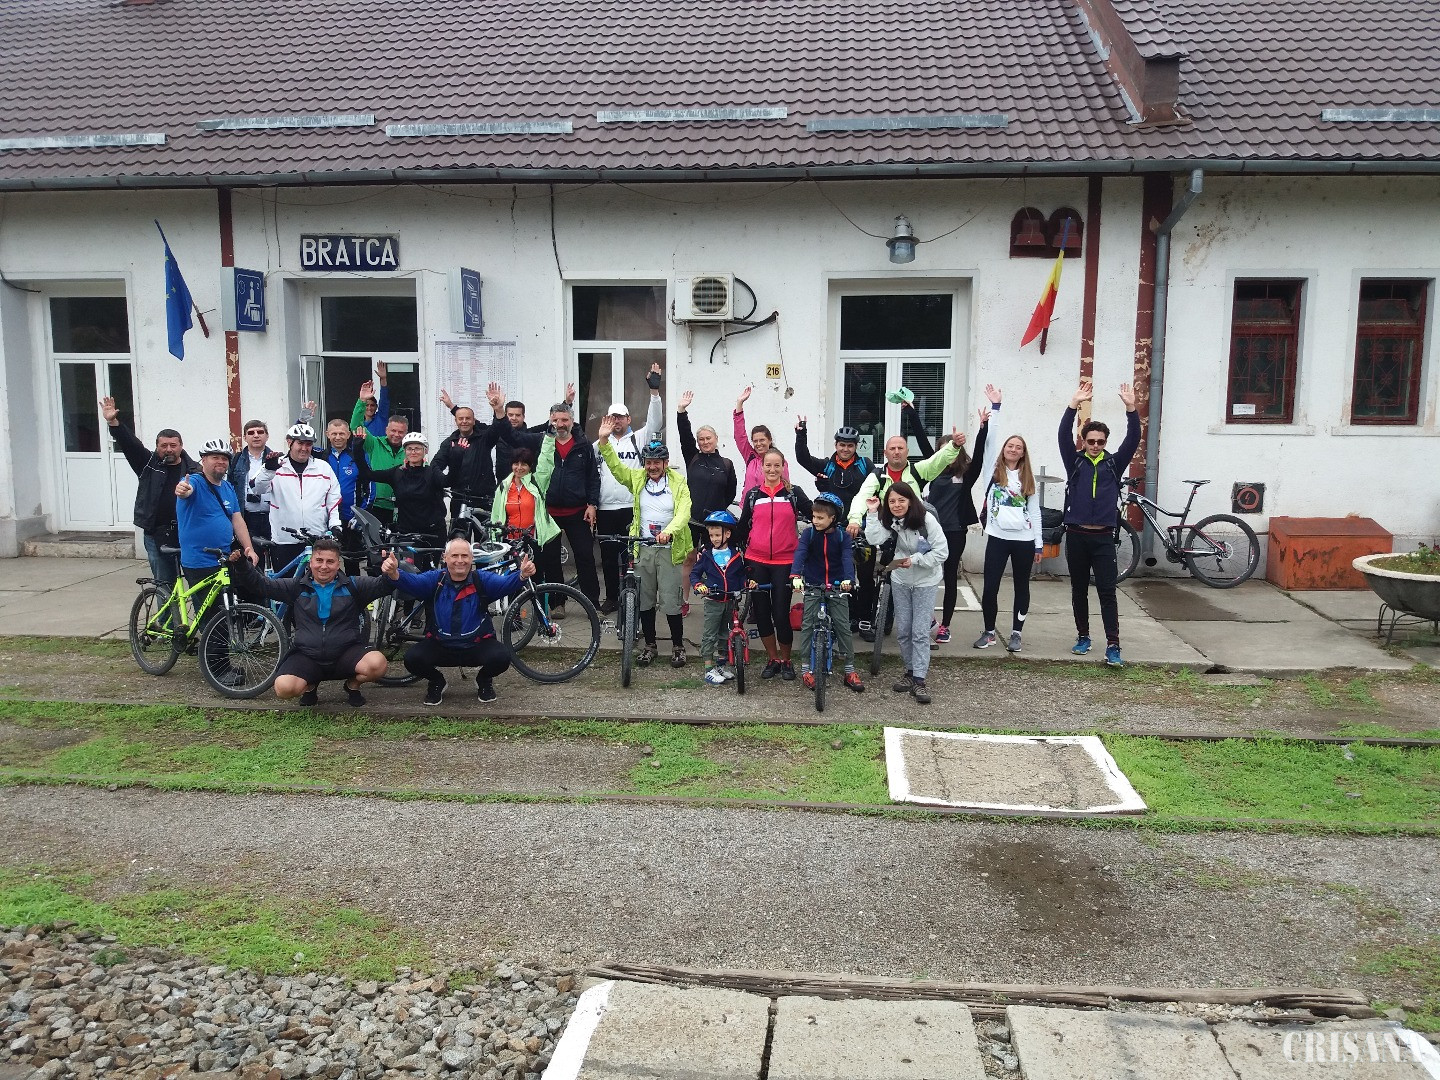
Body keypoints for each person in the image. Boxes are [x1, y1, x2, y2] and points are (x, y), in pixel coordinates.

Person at [231, 537, 395, 707]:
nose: (324, 566)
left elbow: (383, 586)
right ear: (310, 562)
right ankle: (310, 687)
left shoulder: (353, 585)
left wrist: (390, 572)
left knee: (378, 664)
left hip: (346, 652)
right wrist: (242, 565)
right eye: (319, 560)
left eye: (330, 561)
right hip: (307, 655)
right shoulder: (296, 587)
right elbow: (261, 585)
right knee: (283, 688)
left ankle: (352, 685)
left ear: (338, 564)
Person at [382, 537, 536, 706]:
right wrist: (394, 573)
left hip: (476, 645)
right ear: (445, 557)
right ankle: (437, 681)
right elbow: (412, 582)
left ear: (472, 558)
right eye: (454, 556)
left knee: (502, 657)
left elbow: (505, 583)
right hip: (441, 645)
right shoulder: (435, 579)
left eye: (465, 556)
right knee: (412, 658)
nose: (460, 560)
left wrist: (522, 575)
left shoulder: (481, 579)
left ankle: (484, 680)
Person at [847, 427, 966, 641]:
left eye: (900, 448)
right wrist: (855, 519)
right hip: (889, 529)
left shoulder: (918, 470)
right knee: (885, 569)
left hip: (913, 530)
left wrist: (954, 446)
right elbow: (861, 496)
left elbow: (937, 461)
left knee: (917, 570)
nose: (896, 452)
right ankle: (881, 613)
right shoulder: (877, 476)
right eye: (892, 448)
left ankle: (922, 621)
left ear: (907, 451)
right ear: (885, 453)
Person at [597, 418, 692, 667]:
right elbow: (617, 469)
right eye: (648, 462)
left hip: (669, 549)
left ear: (665, 463)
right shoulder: (638, 479)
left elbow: (684, 512)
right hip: (644, 548)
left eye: (657, 462)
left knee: (671, 601)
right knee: (645, 601)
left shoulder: (678, 483)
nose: (652, 467)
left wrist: (669, 531)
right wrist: (604, 441)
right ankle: (650, 645)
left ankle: (678, 646)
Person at [1060, 381, 1141, 668]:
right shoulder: (1074, 462)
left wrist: (1131, 408)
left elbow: (1133, 438)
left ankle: (1113, 645)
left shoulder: (1113, 464)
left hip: (1104, 537)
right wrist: (1073, 405)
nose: (1095, 445)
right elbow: (1062, 435)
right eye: (1091, 441)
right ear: (1083, 441)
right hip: (1076, 536)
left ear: (1105, 443)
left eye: (1100, 442)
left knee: (1107, 591)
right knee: (1079, 590)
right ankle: (1083, 637)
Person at [498, 401, 602, 608]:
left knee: (585, 557)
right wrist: (500, 412)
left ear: (572, 421)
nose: (560, 424)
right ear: (550, 420)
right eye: (555, 420)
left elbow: (593, 477)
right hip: (548, 512)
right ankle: (557, 604)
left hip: (578, 512)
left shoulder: (583, 445)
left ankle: (592, 604)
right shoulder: (541, 441)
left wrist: (592, 504)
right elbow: (512, 437)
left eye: (564, 420)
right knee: (551, 560)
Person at [101, 395, 197, 591]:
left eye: (173, 445)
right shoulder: (147, 464)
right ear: (157, 447)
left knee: (197, 585)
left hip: (187, 534)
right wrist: (114, 422)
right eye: (164, 446)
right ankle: (166, 612)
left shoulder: (195, 469)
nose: (168, 449)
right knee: (164, 585)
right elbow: (130, 444)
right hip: (156, 534)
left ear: (181, 446)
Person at [973, 385, 1041, 653]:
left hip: (1024, 540)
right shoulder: (992, 469)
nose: (1013, 449)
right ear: (1003, 450)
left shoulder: (1027, 478)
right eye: (1010, 446)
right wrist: (996, 408)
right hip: (998, 538)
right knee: (990, 587)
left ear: (1023, 453)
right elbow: (990, 439)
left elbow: (1034, 513)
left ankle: (1016, 633)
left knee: (1021, 587)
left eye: (1018, 447)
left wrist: (1038, 544)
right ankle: (989, 632)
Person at [866, 481, 948, 703]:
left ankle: (920, 680)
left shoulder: (926, 520)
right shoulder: (891, 520)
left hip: (925, 581)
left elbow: (942, 552)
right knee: (903, 630)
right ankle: (910, 672)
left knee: (919, 631)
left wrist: (916, 560)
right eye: (892, 501)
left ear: (911, 500)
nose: (896, 505)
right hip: (901, 579)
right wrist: (872, 512)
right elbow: (874, 539)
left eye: (901, 500)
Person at [595, 364, 665, 615]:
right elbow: (592, 475)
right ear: (607, 420)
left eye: (621, 417)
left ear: (628, 419)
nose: (616, 421)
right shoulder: (598, 444)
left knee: (630, 556)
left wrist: (654, 392)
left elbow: (656, 422)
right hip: (605, 508)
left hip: (630, 506)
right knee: (607, 557)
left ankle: (632, 597)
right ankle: (612, 597)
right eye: (612, 417)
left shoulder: (639, 438)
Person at [736, 448, 811, 680]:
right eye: (768, 465)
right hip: (756, 560)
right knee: (762, 613)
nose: (772, 469)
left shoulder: (794, 493)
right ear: (762, 467)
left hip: (785, 561)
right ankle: (773, 659)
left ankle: (787, 660)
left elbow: (817, 515)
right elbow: (742, 527)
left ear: (783, 467)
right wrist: (718, 546)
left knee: (780, 614)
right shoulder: (753, 495)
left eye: (776, 465)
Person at [793, 418, 868, 631]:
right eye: (842, 445)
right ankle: (835, 616)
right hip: (831, 528)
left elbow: (874, 487)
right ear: (836, 445)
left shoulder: (865, 465)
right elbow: (803, 458)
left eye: (850, 445)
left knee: (861, 574)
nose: (845, 449)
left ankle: (861, 618)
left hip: (856, 526)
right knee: (833, 571)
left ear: (856, 446)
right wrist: (801, 434)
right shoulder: (827, 464)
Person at [926, 407, 990, 644]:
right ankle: (928, 618)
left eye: (952, 450)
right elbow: (922, 441)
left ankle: (945, 625)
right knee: (926, 575)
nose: (948, 455)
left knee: (950, 575)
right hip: (931, 531)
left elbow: (980, 456)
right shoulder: (931, 472)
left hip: (955, 531)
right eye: (943, 451)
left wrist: (982, 428)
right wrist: (911, 412)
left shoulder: (966, 475)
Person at [791, 492, 864, 693]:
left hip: (838, 585)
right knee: (807, 625)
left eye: (820, 517)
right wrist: (796, 575)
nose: (815, 521)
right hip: (813, 584)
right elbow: (800, 554)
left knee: (843, 626)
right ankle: (806, 669)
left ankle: (849, 669)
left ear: (833, 518)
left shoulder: (842, 536)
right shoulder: (808, 534)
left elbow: (847, 558)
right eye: (814, 516)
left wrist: (849, 580)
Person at [247, 424, 342, 573]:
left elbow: (333, 500)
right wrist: (269, 470)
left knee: (316, 582)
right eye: (300, 443)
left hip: (316, 537)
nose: (304, 448)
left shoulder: (323, 468)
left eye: (308, 444)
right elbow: (256, 488)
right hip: (284, 539)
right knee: (286, 583)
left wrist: (335, 525)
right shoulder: (276, 466)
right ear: (289, 442)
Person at [356, 432, 450, 567]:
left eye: (417, 448)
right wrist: (358, 448)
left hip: (433, 532)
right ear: (404, 451)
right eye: (409, 449)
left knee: (430, 571)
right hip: (407, 533)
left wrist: (456, 457)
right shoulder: (397, 473)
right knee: (410, 571)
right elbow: (367, 474)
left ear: (425, 451)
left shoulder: (432, 472)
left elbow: (447, 481)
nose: (413, 452)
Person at [175, 439, 258, 588]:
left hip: (224, 558)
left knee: (230, 600)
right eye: (215, 457)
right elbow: (186, 489)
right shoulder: (194, 481)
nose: (221, 461)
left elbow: (237, 520)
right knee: (210, 603)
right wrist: (183, 490)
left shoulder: (228, 487)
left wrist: (249, 549)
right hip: (199, 561)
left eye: (224, 458)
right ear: (203, 460)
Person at [434, 383, 509, 537]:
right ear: (455, 421)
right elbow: (436, 465)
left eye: (468, 418)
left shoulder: (484, 438)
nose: (464, 421)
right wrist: (444, 481)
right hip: (459, 500)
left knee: (485, 542)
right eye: (460, 418)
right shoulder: (449, 443)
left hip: (484, 499)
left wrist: (498, 409)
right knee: (459, 542)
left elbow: (497, 428)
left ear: (474, 421)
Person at [491, 444, 562, 598]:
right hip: (510, 542)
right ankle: (514, 613)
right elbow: (496, 516)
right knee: (512, 583)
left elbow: (546, 462)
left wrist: (550, 438)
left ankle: (539, 611)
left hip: (532, 540)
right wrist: (494, 541)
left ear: (530, 466)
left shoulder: (537, 482)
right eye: (516, 463)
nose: (519, 468)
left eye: (524, 464)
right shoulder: (503, 487)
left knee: (536, 581)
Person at [677, 389, 739, 554]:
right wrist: (681, 411)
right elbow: (685, 436)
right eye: (701, 439)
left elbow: (730, 493)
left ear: (716, 439)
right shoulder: (693, 457)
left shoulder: (726, 464)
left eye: (708, 438)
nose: (705, 442)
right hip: (691, 520)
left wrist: (717, 508)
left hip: (714, 523)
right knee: (689, 559)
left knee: (712, 558)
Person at [690, 510, 747, 685]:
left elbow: (741, 575)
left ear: (727, 534)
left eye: (717, 535)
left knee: (724, 634)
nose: (714, 539)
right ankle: (708, 669)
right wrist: (698, 585)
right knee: (710, 635)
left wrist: (747, 583)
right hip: (713, 601)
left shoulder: (736, 555)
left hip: (730, 601)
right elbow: (695, 574)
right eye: (711, 535)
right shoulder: (707, 555)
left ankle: (721, 666)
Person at [350, 379, 407, 523]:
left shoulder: (411, 450)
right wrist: (362, 401)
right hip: (377, 506)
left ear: (406, 433)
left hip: (404, 507)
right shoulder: (375, 443)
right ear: (386, 429)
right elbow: (356, 426)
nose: (396, 434)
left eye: (400, 432)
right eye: (393, 430)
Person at [494, 383, 575, 477]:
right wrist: (498, 409)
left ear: (523, 416)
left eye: (518, 415)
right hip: (504, 481)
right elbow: (502, 427)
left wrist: (567, 403)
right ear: (505, 415)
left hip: (527, 481)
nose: (514, 418)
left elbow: (551, 422)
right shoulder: (498, 433)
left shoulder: (531, 435)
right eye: (510, 415)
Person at [732, 385, 790, 499]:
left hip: (768, 506)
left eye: (762, 440)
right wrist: (739, 403)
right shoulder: (750, 456)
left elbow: (786, 486)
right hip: (748, 505)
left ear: (770, 440)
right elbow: (739, 435)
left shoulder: (779, 460)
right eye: (755, 441)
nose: (758, 444)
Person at [228, 418, 275, 550]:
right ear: (244, 437)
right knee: (249, 555)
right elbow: (229, 487)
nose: (256, 435)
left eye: (260, 432)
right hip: (246, 517)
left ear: (267, 436)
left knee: (275, 556)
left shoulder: (276, 460)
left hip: (272, 517)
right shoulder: (235, 460)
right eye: (251, 433)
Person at [357, 360, 391, 437]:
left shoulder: (381, 418)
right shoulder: (359, 424)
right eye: (367, 405)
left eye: (372, 405)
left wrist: (383, 379)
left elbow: (384, 399)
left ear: (376, 407)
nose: (369, 408)